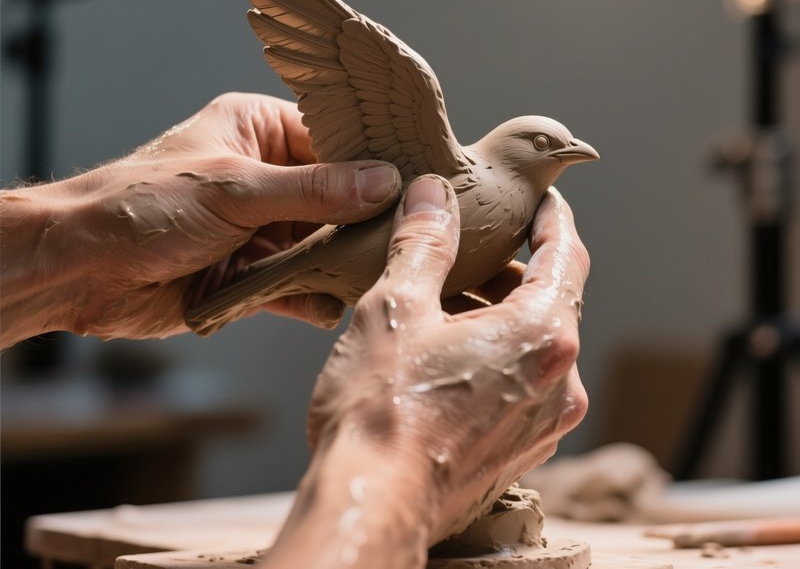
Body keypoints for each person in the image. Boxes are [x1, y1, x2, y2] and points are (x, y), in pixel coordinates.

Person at [0, 91, 590, 569]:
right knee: (278, 274)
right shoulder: (462, 174)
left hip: (341, 273)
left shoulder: (517, 206)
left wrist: (69, 253)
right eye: (546, 145)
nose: (563, 152)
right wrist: (405, 461)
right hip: (344, 255)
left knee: (264, 281)